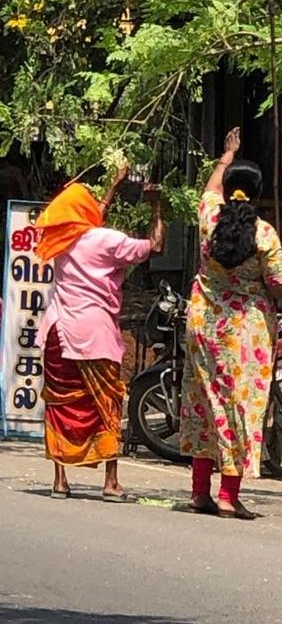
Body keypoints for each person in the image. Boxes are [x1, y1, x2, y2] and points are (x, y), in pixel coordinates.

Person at [180, 128, 282, 520]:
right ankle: (228, 495)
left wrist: (227, 155)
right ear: (257, 194)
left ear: (228, 189)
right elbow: (277, 285)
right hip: (246, 334)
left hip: (204, 324)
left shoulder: (210, 217)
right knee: (240, 409)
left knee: (204, 404)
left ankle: (198, 492)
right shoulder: (264, 234)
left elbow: (208, 191)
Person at [36, 168, 164, 500]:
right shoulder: (108, 240)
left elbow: (89, 221)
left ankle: (60, 480)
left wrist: (112, 186)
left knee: (59, 403)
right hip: (94, 332)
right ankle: (110, 482)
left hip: (56, 333)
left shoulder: (59, 241)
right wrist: (155, 208)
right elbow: (156, 246)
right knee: (107, 401)